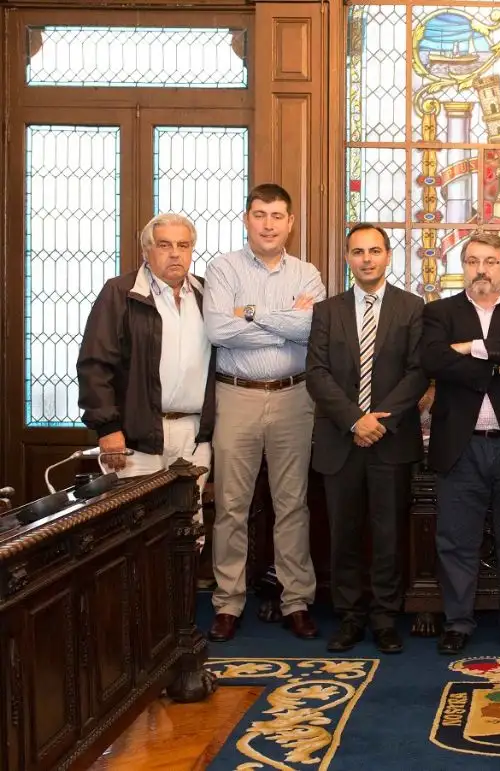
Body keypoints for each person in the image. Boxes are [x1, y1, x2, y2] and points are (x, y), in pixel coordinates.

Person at [204, 184, 326, 643]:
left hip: (295, 397)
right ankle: (228, 602)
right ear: (246, 218)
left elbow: (313, 328)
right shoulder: (223, 268)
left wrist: (250, 315)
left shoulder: (306, 272)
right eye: (260, 215)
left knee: (292, 503)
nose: (269, 224)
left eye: (277, 215)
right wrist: (281, 320)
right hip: (236, 395)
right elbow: (218, 329)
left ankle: (296, 600)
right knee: (232, 506)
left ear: (290, 222)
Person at [421, 232, 500, 655]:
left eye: (490, 261)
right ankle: (458, 622)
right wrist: (497, 366)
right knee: (456, 541)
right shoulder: (439, 312)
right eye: (473, 261)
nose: (481, 270)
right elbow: (435, 360)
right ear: (463, 267)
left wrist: (472, 349)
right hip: (462, 447)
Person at [306, 223, 428, 654]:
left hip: (391, 441)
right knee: (344, 533)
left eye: (374, 251)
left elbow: (418, 372)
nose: (366, 259)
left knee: (389, 533)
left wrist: (379, 421)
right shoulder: (327, 311)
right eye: (358, 252)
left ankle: (384, 617)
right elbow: (316, 374)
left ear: (388, 256)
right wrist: (355, 420)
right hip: (341, 440)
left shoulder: (413, 308)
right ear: (347, 258)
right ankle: (350, 617)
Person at [77, 213, 216, 527]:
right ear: (146, 251)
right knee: (135, 530)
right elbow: (95, 364)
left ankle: (184, 579)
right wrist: (108, 428)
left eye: (184, 245)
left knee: (188, 528)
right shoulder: (121, 293)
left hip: (193, 436)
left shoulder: (208, 295)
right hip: (135, 437)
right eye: (164, 245)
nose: (175, 253)